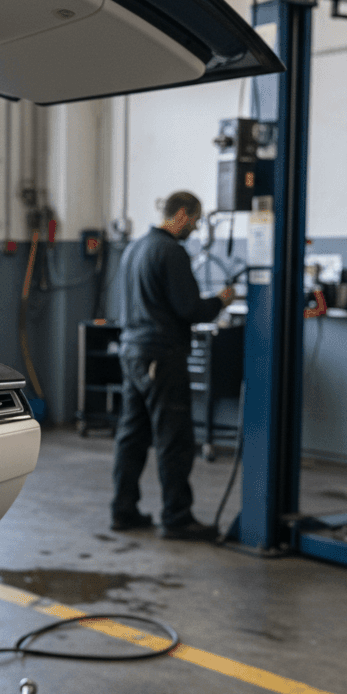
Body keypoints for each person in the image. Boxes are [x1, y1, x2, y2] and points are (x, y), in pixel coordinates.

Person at [110, 191, 234, 540]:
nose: (195, 229)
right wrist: (221, 301)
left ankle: (124, 510)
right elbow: (189, 309)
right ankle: (177, 518)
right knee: (174, 438)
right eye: (194, 221)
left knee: (132, 435)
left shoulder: (135, 248)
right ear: (181, 215)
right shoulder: (171, 252)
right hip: (162, 355)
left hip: (133, 352)